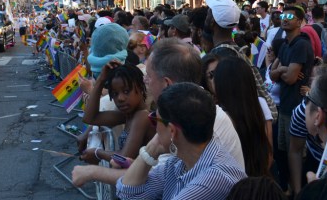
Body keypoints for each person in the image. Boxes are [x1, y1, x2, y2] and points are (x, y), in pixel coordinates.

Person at [72, 39, 245, 187]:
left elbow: (149, 179)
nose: (145, 81)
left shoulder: (195, 116)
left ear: (167, 84)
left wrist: (91, 171)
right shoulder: (184, 108)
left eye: (149, 76)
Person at [115, 82, 246, 199]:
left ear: (172, 130)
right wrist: (151, 149)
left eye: (155, 119)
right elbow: (127, 193)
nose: (154, 126)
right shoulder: (178, 162)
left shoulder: (215, 177)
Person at [269, 6, 314, 193]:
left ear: (299, 21)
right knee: (286, 153)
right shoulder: (286, 44)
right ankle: (293, 189)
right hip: (285, 107)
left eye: (290, 16)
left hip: (297, 108)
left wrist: (282, 72)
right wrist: (281, 70)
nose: (284, 19)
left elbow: (290, 78)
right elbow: (272, 74)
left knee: (297, 154)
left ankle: (301, 192)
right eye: (282, 16)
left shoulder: (301, 44)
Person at [207, 56, 273, 177]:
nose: (211, 80)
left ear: (223, 84)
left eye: (213, 75)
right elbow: (268, 156)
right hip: (258, 180)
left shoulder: (220, 118)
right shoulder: (258, 107)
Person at [80, 61, 154, 166]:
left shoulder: (142, 116)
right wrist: (101, 80)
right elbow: (90, 118)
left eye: (126, 91)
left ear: (141, 87)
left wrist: (97, 153)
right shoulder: (128, 115)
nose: (120, 98)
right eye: (115, 94)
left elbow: (124, 158)